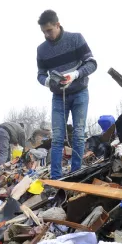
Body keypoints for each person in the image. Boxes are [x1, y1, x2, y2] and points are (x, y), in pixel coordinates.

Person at [36, 10, 97, 179]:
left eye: (49, 30)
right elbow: (40, 75)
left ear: (57, 24)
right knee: (57, 138)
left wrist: (75, 75)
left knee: (78, 133)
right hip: (58, 97)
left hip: (79, 93)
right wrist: (48, 81)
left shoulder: (76, 39)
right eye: (43, 32)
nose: (47, 35)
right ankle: (56, 179)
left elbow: (92, 63)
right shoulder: (41, 50)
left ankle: (76, 174)